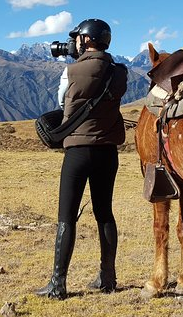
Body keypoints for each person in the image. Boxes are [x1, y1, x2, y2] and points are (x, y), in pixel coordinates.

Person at [36, 18, 128, 300]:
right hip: (108, 152)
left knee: (67, 216)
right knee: (104, 213)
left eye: (77, 38)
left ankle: (57, 283)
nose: (73, 42)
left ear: (87, 40)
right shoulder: (120, 72)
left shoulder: (71, 70)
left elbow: (64, 104)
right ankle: (107, 277)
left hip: (78, 151)